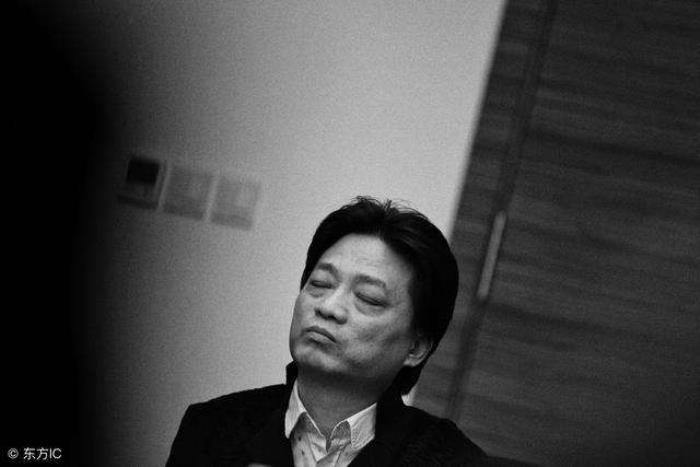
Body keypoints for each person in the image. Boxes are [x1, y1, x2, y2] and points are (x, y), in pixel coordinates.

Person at [166, 196, 485, 466]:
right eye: (319, 284)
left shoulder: (455, 461)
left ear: (416, 347)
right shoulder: (211, 427)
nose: (329, 307)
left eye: (368, 298)